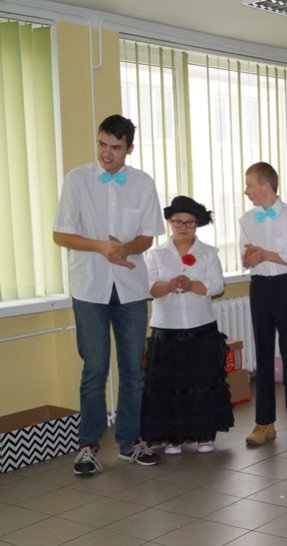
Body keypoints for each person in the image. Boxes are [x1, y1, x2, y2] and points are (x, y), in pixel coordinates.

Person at [53, 114, 165, 476]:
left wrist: (125, 248)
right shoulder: (77, 180)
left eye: (115, 147)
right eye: (102, 144)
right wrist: (101, 247)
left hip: (130, 288)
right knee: (95, 368)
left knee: (133, 369)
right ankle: (87, 446)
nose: (106, 153)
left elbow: (147, 236)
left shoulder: (143, 183)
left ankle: (130, 442)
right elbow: (60, 234)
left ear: (129, 149)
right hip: (90, 288)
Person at [141, 196, 234, 454]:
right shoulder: (156, 254)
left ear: (197, 224)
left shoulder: (209, 253)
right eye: (178, 222)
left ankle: (204, 435)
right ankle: (173, 437)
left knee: (201, 381)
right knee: (169, 385)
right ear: (170, 222)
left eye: (189, 223)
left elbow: (217, 285)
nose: (183, 227)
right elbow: (146, 287)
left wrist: (193, 285)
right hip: (167, 327)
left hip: (200, 326)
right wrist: (168, 286)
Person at [240, 161, 287, 448]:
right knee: (263, 355)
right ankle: (264, 423)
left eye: (250, 185)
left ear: (266, 185)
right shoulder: (246, 219)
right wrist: (258, 256)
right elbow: (247, 257)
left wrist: (265, 254)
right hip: (260, 288)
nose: (246, 191)